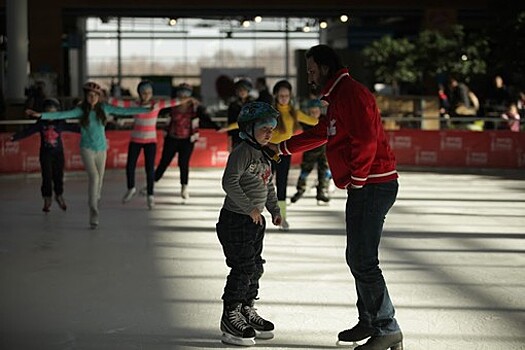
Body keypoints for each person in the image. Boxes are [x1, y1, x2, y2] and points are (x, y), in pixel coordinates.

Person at [268, 45, 403, 350]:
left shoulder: (352, 94)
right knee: (357, 256)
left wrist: (357, 179)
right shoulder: (338, 96)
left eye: (312, 69)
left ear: (327, 67)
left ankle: (387, 326)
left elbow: (367, 140)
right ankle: (371, 321)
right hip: (365, 185)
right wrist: (282, 147)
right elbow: (322, 133)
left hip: (373, 184)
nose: (309, 76)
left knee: (363, 258)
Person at [26, 81, 152, 229]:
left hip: (101, 150)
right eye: (89, 95)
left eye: (95, 95)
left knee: (99, 181)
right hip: (87, 149)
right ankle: (93, 210)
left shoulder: (104, 108)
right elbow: (62, 114)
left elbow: (123, 111)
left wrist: (145, 110)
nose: (92, 98)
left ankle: (95, 199)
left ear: (99, 97)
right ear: (86, 96)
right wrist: (41, 115)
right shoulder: (81, 110)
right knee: (94, 177)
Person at [216, 101, 282, 347]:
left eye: (272, 128)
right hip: (236, 220)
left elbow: (269, 186)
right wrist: (250, 208)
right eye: (264, 127)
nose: (269, 132)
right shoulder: (242, 152)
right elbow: (229, 182)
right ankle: (230, 315)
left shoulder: (265, 155)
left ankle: (246, 308)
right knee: (243, 267)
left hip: (255, 222)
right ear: (249, 128)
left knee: (255, 267)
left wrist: (275, 211)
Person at [108, 80, 194, 209]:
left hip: (150, 142)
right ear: (139, 93)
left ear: (151, 93)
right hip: (135, 140)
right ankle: (131, 188)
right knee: (130, 166)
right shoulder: (134, 104)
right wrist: (105, 98)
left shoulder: (156, 105)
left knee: (149, 169)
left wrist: (189, 98)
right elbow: (119, 103)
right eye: (143, 93)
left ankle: (150, 195)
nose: (146, 95)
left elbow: (174, 102)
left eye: (149, 92)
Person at [152, 83, 220, 200]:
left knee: (183, 164)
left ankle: (184, 188)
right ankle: (151, 184)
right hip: (172, 138)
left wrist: (217, 127)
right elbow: (158, 110)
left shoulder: (194, 107)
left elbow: (205, 118)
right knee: (164, 162)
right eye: (181, 92)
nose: (183, 95)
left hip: (187, 140)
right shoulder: (172, 105)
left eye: (186, 93)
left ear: (190, 95)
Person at [12, 98, 80, 212]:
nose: (50, 115)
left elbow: (75, 128)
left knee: (59, 176)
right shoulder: (41, 123)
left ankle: (59, 195)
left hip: (58, 154)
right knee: (47, 177)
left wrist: (90, 130)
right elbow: (28, 131)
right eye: (48, 112)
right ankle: (47, 198)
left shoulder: (60, 122)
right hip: (45, 154)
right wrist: (15, 137)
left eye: (53, 112)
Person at [270, 79, 318, 231]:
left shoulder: (294, 113)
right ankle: (253, 213)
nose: (284, 98)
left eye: (287, 95)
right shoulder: (269, 112)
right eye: (281, 95)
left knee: (282, 184)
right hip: (268, 152)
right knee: (262, 184)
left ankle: (281, 216)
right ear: (276, 96)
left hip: (284, 152)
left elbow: (313, 121)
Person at [290, 98, 331, 205]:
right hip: (310, 150)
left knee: (324, 171)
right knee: (305, 171)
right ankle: (300, 189)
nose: (314, 114)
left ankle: (321, 191)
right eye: (312, 112)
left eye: (316, 111)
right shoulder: (306, 122)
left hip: (323, 150)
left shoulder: (324, 120)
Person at [225, 78, 255, 149]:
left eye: (244, 90)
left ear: (248, 91)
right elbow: (230, 122)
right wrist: (229, 139)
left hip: (251, 137)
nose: (242, 92)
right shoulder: (233, 105)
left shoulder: (253, 104)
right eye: (240, 90)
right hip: (236, 137)